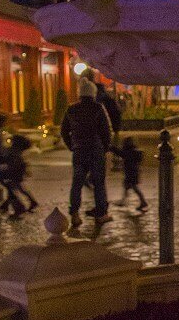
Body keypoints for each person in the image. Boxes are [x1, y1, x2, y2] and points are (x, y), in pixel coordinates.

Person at [61, 75, 113, 232]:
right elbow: (106, 131)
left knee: (77, 183)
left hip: (79, 150)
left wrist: (72, 146)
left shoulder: (72, 109)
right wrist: (104, 148)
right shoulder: (98, 108)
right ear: (93, 93)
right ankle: (101, 213)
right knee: (98, 183)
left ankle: (75, 214)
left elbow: (64, 131)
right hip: (95, 150)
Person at [0, 133, 38, 218]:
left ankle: (21, 207)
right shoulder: (16, 151)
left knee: (13, 188)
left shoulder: (12, 151)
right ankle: (31, 202)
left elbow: (12, 162)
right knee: (17, 187)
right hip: (17, 171)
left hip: (14, 172)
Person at [113, 136, 148, 211]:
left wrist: (111, 148)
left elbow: (119, 153)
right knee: (127, 186)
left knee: (134, 188)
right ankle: (123, 201)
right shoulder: (133, 151)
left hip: (131, 173)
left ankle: (143, 202)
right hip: (133, 172)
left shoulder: (128, 152)